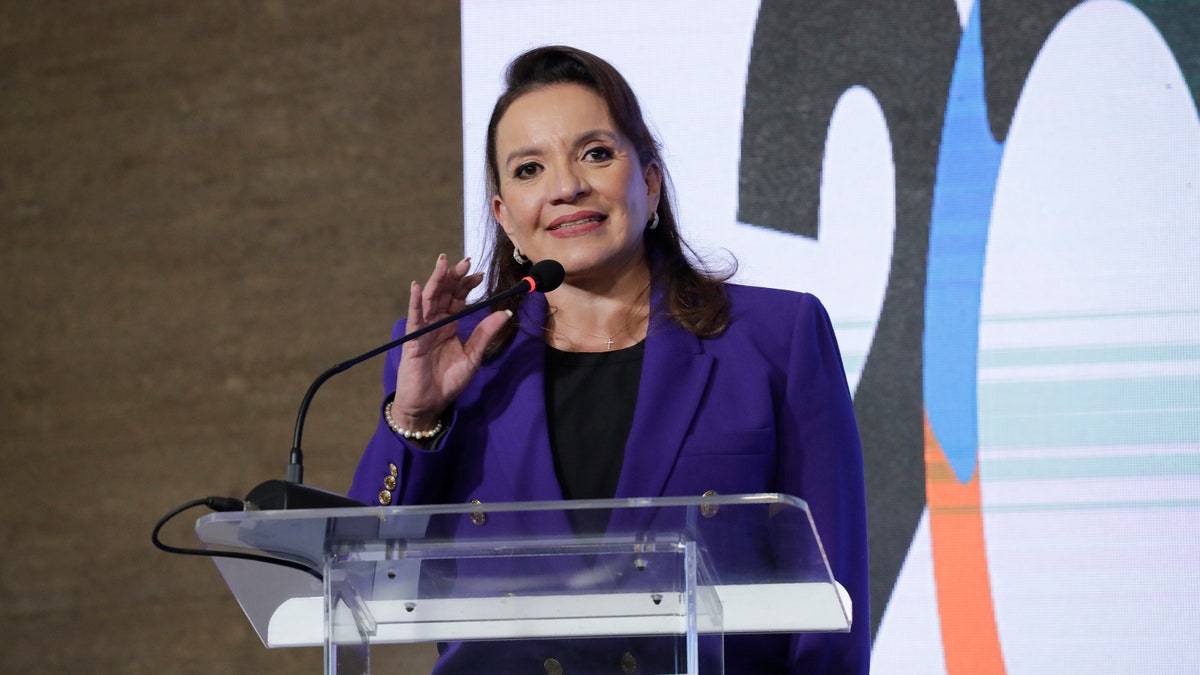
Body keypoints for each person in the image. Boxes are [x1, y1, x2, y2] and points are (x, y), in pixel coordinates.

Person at [350, 45, 869, 673]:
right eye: (528, 170)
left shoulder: (776, 336)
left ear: (649, 184)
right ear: (504, 217)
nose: (566, 187)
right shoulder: (456, 355)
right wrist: (414, 415)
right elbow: (363, 580)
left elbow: (831, 597)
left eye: (596, 154)